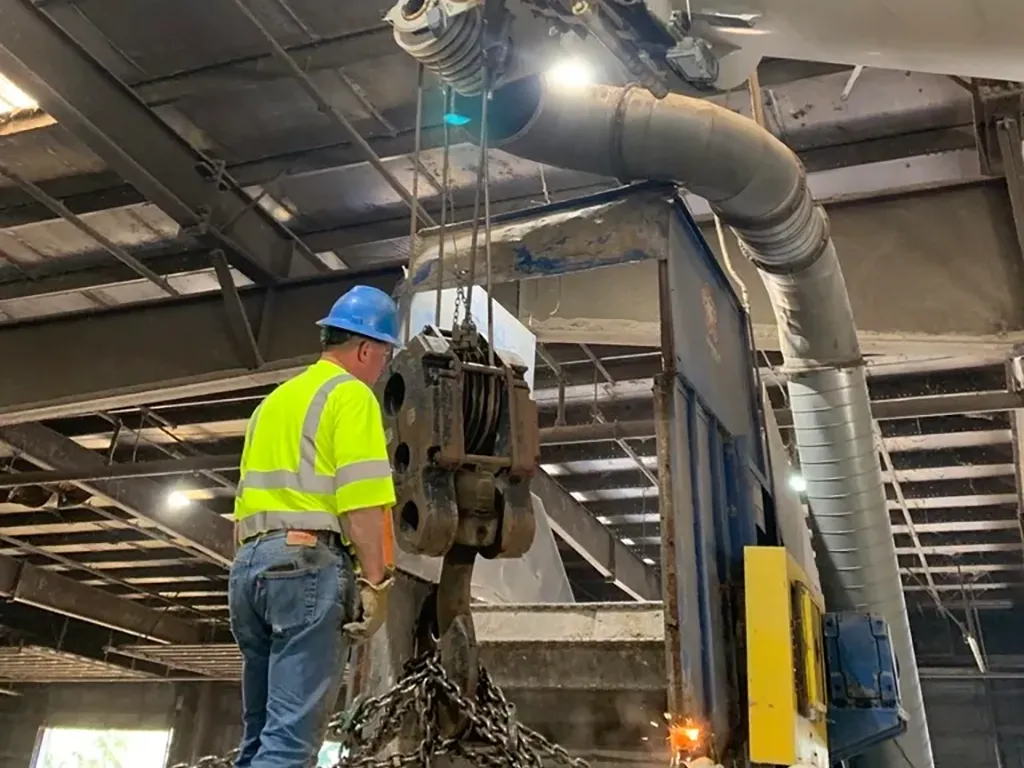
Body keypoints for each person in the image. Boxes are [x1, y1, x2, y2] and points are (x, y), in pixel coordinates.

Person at [229, 284, 401, 768]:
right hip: (306, 568)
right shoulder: (351, 395)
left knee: (258, 738)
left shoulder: (274, 403)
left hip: (248, 569)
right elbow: (362, 499)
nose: (384, 366)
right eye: (385, 354)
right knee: (288, 746)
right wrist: (376, 581)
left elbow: (240, 505)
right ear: (366, 348)